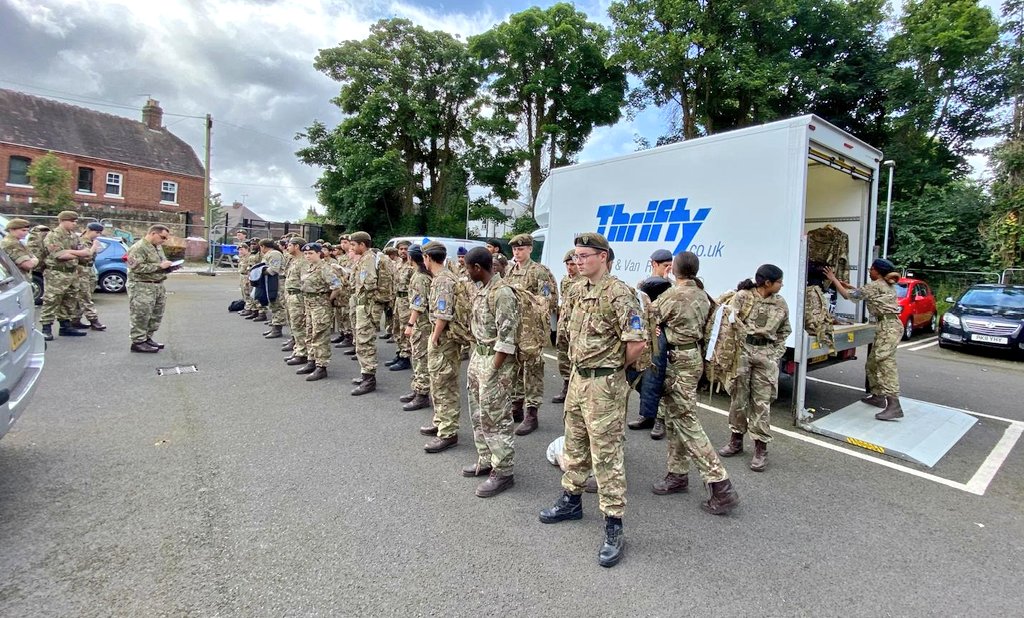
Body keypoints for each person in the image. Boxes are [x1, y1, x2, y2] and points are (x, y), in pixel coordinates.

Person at [538, 232, 646, 569]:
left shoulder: (619, 294)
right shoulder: (574, 290)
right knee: (575, 442)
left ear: (603, 256)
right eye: (576, 256)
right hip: (578, 380)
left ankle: (614, 525)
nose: (578, 260)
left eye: (585, 255)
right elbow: (568, 336)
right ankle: (572, 499)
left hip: (604, 384)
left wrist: (613, 371)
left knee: (607, 453)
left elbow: (636, 343)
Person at [650, 251, 739, 514]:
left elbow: (649, 317)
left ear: (674, 270)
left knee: (687, 422)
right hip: (693, 357)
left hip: (677, 360)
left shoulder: (673, 295)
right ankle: (677, 474)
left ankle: (720, 484)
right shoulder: (702, 294)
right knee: (677, 418)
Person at [717, 264, 791, 472]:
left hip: (766, 355)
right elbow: (728, 324)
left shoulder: (780, 303)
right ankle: (736, 440)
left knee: (762, 401)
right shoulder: (742, 297)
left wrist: (775, 353)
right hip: (742, 352)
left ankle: (760, 449)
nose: (781, 285)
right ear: (767, 283)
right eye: (779, 281)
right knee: (738, 397)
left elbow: (785, 331)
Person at [463, 247, 520, 497]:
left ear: (478, 268)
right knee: (478, 413)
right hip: (479, 356)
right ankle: (486, 459)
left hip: (495, 362)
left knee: (496, 417)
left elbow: (507, 340)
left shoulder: (503, 294)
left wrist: (492, 371)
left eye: (467, 268)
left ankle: (504, 471)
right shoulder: (481, 290)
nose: (466, 273)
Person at [824, 259, 904, 420]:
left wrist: (833, 279)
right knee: (873, 362)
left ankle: (894, 405)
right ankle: (878, 396)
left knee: (885, 363)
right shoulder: (884, 285)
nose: (869, 271)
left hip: (889, 327)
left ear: (877, 271)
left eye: (871, 269)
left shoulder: (876, 284)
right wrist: (850, 286)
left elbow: (848, 296)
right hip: (887, 325)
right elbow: (865, 293)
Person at [505, 233, 558, 435]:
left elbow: (548, 301)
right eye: (515, 249)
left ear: (530, 249)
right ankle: (516, 407)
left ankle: (532, 414)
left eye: (521, 249)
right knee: (515, 369)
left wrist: (527, 300)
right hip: (514, 328)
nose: (517, 253)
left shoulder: (539, 272)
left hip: (532, 330)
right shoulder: (510, 270)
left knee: (532, 371)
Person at [419, 241, 462, 453]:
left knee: (445, 385)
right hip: (443, 339)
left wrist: (434, 338)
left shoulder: (443, 281)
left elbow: (443, 314)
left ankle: (448, 432)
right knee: (438, 383)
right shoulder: (443, 277)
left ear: (428, 258)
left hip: (444, 340)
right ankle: (440, 422)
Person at [626, 276, 673, 439]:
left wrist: (661, 329)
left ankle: (660, 419)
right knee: (643, 379)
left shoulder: (671, 294)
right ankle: (647, 415)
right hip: (650, 344)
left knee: (661, 382)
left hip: (671, 349)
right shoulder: (647, 290)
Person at [40, 211, 91, 341]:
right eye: (72, 221)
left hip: (71, 273)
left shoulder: (74, 236)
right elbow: (60, 255)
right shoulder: (53, 236)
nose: (74, 224)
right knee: (52, 300)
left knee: (70, 300)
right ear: (62, 221)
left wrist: (71, 252)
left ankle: (65, 326)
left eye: (75, 221)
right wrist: (78, 253)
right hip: (56, 273)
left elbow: (87, 253)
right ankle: (46, 328)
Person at [294, 243, 342, 381]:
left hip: (320, 306)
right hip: (309, 305)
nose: (308, 256)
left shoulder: (325, 268)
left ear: (319, 253)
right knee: (309, 332)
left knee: (320, 336)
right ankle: (311, 361)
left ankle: (321, 367)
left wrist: (327, 299)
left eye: (311, 253)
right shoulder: (307, 267)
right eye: (306, 254)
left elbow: (337, 287)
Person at [126, 224, 174, 353]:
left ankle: (147, 338)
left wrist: (168, 266)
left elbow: (161, 262)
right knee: (141, 314)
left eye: (165, 238)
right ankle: (138, 342)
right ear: (153, 233)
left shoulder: (157, 247)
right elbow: (134, 267)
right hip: (142, 285)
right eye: (162, 237)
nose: (164, 241)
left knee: (155, 315)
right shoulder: (138, 248)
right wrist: (159, 266)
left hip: (157, 285)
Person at [401, 244, 433, 411]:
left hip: (422, 324)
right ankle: (417, 388)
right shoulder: (419, 275)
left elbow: (419, 304)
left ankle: (422, 394)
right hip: (422, 323)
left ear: (411, 258)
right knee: (417, 356)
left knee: (421, 358)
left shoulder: (420, 277)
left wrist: (410, 324)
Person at [350, 231, 381, 395]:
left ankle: (369, 379)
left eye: (354, 244)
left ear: (362, 244)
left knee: (365, 341)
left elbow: (369, 282)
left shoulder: (368, 258)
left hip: (366, 306)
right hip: (361, 305)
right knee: (361, 341)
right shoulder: (363, 258)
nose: (352, 247)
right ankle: (365, 374)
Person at [552, 249, 580, 404]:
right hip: (564, 323)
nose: (570, 268)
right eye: (568, 265)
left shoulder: (583, 282)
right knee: (563, 355)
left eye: (573, 264)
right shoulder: (565, 281)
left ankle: (575, 389)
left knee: (575, 355)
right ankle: (566, 384)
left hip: (576, 325)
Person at [73, 221, 107, 331]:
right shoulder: (82, 241)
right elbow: (84, 257)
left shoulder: (91, 241)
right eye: (97, 232)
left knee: (82, 297)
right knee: (85, 296)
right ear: (89, 230)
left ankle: (75, 319)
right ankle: (93, 320)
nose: (98, 235)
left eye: (100, 233)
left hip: (88, 270)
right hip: (81, 271)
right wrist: (93, 248)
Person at [386, 240, 413, 371]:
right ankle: (399, 352)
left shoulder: (412, 266)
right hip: (397, 300)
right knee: (396, 329)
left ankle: (405, 357)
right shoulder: (397, 264)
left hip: (407, 301)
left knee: (404, 330)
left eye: (405, 249)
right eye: (400, 249)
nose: (403, 251)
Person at [282, 238, 310, 365]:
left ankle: (302, 353)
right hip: (291, 295)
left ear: (297, 246)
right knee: (293, 324)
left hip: (298, 297)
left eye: (290, 245)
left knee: (299, 325)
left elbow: (305, 282)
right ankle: (298, 349)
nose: (287, 247)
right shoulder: (294, 260)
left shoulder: (303, 262)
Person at [258, 239, 287, 339]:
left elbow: (274, 269)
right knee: (273, 304)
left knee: (278, 304)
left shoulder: (274, 254)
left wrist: (262, 271)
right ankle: (274, 325)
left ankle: (277, 329)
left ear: (263, 246)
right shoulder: (269, 254)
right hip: (271, 281)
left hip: (278, 281)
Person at [237, 243, 254, 317]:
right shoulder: (242, 257)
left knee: (248, 293)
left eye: (242, 250)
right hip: (242, 276)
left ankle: (249, 308)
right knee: (243, 292)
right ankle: (246, 307)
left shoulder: (249, 257)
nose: (240, 251)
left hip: (247, 276)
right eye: (239, 250)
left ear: (247, 249)